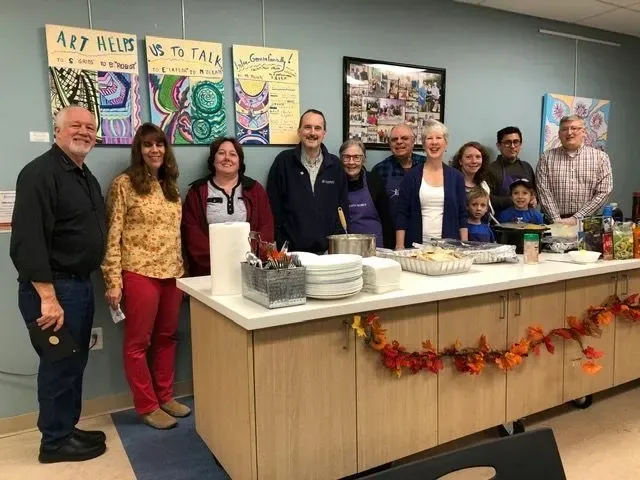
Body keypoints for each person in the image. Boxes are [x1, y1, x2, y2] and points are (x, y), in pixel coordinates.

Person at [10, 106, 107, 463]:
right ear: (57, 130)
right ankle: (53, 443)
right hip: (52, 291)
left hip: (78, 287)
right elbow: (28, 242)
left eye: (90, 127)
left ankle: (66, 428)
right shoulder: (39, 174)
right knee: (58, 366)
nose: (83, 132)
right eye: (75, 126)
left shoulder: (83, 175)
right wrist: (48, 299)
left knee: (72, 365)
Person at [101, 123, 189, 430]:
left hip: (172, 273)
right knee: (138, 343)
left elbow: (176, 234)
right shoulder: (123, 184)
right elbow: (112, 234)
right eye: (148, 145)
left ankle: (165, 396)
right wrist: (112, 280)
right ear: (139, 150)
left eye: (160, 144)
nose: (155, 150)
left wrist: (183, 273)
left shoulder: (170, 186)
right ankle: (147, 405)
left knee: (167, 338)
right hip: (139, 271)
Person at [182, 137, 274, 275]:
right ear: (213, 159)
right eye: (221, 153)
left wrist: (249, 259)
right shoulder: (197, 192)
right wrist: (218, 260)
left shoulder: (255, 190)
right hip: (209, 270)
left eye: (233, 154)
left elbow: (266, 229)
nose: (227, 158)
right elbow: (192, 233)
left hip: (249, 269)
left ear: (239, 161)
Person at [267, 109, 348, 253]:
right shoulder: (283, 162)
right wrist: (279, 243)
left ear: (324, 134)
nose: (312, 132)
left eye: (318, 128)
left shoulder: (335, 166)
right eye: (307, 127)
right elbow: (273, 207)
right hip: (291, 253)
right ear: (299, 131)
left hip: (328, 253)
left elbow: (342, 208)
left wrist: (337, 244)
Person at [395, 119, 468, 248]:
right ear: (423, 144)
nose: (434, 142)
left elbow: (462, 215)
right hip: (416, 247)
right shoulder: (411, 177)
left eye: (438, 138)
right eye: (429, 138)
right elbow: (402, 214)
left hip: (449, 248)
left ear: (445, 143)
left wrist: (465, 245)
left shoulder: (457, 177)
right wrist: (399, 246)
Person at [536, 115, 613, 225]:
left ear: (583, 132)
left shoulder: (601, 157)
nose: (569, 132)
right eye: (564, 129)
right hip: (553, 223)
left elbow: (604, 191)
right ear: (559, 134)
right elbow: (543, 191)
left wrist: (577, 218)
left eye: (574, 128)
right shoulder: (546, 158)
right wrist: (557, 221)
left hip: (586, 223)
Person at [339, 139, 394, 248]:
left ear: (364, 160)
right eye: (346, 157)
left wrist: (390, 249)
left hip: (375, 248)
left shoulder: (374, 181)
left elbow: (387, 220)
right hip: (347, 248)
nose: (351, 162)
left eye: (356, 157)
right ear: (340, 159)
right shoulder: (335, 184)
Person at [371, 123, 425, 224]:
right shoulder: (380, 170)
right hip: (391, 233)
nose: (399, 142)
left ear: (413, 141)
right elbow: (375, 209)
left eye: (404, 138)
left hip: (424, 231)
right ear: (389, 143)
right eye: (394, 139)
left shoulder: (426, 165)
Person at [487, 126, 536, 215]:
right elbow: (487, 199)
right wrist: (515, 200)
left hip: (527, 221)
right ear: (498, 146)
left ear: (520, 145)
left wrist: (534, 199)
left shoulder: (526, 167)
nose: (512, 146)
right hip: (500, 223)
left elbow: (534, 192)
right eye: (507, 142)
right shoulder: (490, 169)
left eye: (516, 142)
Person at [450, 141, 494, 216]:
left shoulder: (483, 185)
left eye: (478, 157)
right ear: (460, 161)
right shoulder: (451, 183)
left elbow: (489, 213)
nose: (474, 161)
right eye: (468, 157)